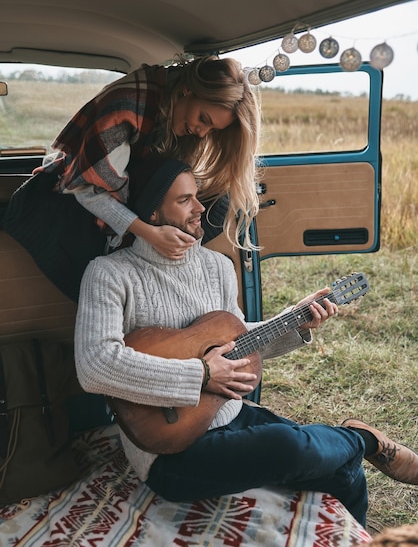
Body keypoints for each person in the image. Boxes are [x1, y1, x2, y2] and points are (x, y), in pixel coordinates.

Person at [74, 157, 418, 529]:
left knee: (342, 471)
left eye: (198, 198)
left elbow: (235, 343)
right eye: (185, 200)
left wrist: (295, 320)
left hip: (231, 414)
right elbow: (95, 365)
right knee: (289, 446)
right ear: (153, 210)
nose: (200, 209)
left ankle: (359, 529)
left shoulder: (217, 267)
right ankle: (362, 439)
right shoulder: (109, 273)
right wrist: (201, 374)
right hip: (169, 450)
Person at [2, 55, 261, 301]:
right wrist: (150, 234)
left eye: (212, 129)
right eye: (203, 119)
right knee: (97, 280)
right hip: (72, 199)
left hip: (118, 193)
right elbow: (86, 190)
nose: (202, 133)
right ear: (187, 90)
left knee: (220, 204)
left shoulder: (170, 113)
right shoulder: (125, 107)